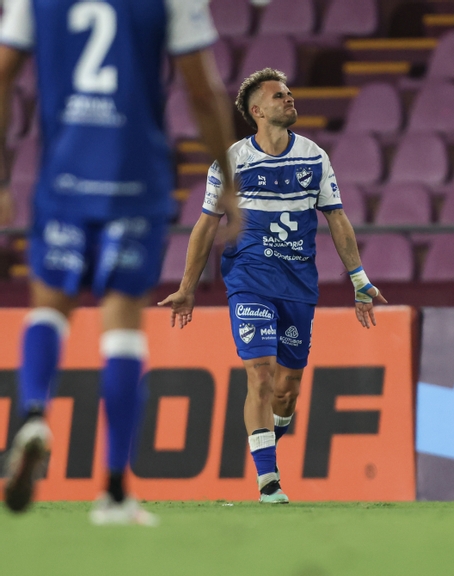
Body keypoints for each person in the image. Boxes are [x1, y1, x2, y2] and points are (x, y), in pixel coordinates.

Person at [0, 0, 241, 525]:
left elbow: (2, 73)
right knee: (123, 327)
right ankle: (113, 491)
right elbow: (203, 91)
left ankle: (34, 412)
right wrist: (228, 182)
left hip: (63, 177)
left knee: (49, 308)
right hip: (134, 179)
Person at [159, 67, 387, 504]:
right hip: (249, 280)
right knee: (260, 374)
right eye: (278, 95)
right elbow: (206, 226)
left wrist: (360, 280)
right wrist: (187, 287)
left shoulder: (314, 157)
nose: (288, 98)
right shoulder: (231, 162)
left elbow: (337, 219)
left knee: (287, 389)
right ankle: (269, 481)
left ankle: (266, 440)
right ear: (257, 111)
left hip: (298, 284)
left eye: (288, 93)